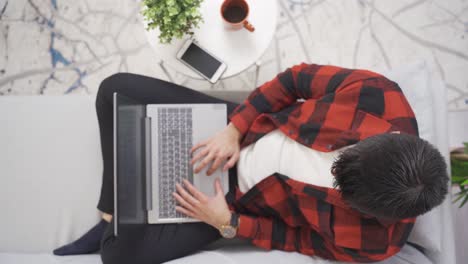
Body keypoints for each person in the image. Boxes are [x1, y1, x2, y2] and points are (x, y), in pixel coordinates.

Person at [53, 63, 449, 264]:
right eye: (343, 159)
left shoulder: (377, 244)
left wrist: (227, 223)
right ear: (381, 141)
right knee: (114, 89)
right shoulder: (379, 95)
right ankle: (110, 211)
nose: (330, 172)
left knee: (115, 257)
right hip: (233, 131)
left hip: (232, 203)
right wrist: (234, 128)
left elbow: (297, 240)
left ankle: (113, 219)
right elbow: (293, 80)